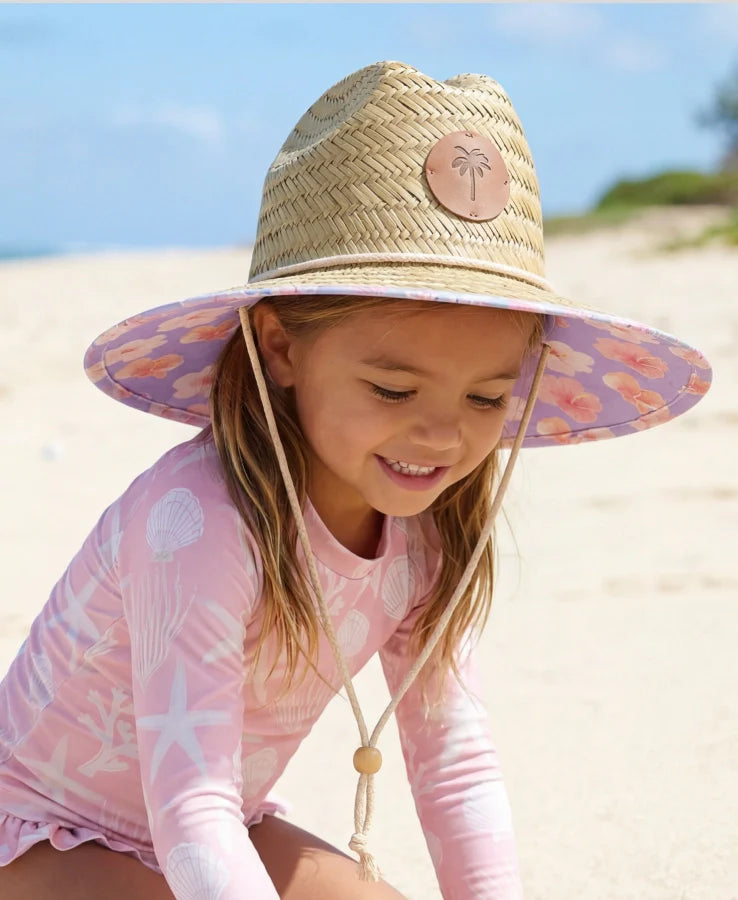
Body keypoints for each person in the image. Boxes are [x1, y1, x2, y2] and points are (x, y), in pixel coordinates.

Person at [0, 60, 711, 900]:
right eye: (392, 389)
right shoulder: (194, 519)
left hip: (230, 821)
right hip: (49, 827)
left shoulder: (431, 536)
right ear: (281, 347)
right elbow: (191, 810)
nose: (442, 433)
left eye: (487, 396)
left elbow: (455, 768)